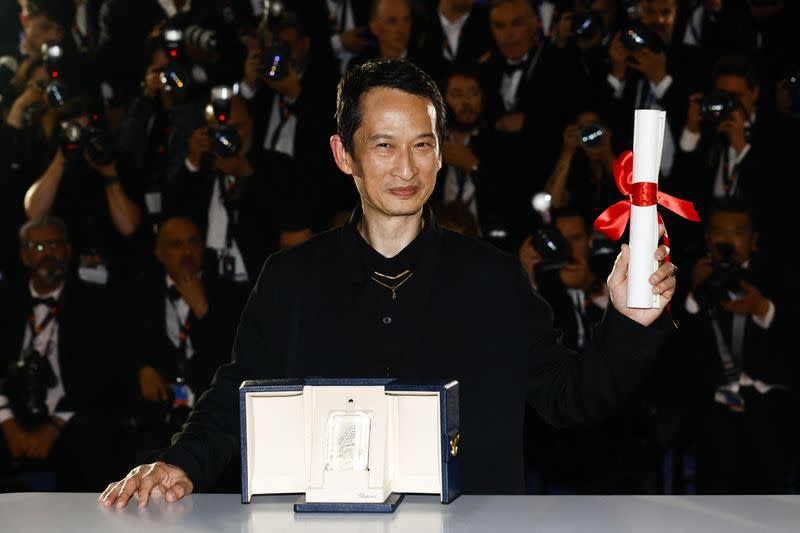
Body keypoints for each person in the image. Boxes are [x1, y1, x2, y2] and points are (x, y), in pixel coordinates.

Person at [100, 58, 677, 507]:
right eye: (384, 145)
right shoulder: (291, 279)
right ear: (343, 154)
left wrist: (630, 322)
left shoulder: (494, 279)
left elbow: (568, 398)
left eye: (422, 145)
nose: (406, 168)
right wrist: (179, 464)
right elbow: (238, 399)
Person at [676, 201, 795, 493]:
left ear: (754, 241)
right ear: (708, 239)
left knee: (767, 434)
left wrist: (762, 308)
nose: (727, 240)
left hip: (767, 398)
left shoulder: (780, 278)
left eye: (737, 233)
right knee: (716, 441)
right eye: (719, 232)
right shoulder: (692, 277)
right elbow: (673, 345)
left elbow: (791, 336)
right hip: (714, 400)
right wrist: (694, 295)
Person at [0, 216, 123, 491]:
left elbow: (100, 374)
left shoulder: (95, 301)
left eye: (55, 245)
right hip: (10, 408)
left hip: (72, 412)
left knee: (96, 435)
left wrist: (54, 426)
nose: (48, 254)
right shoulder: (6, 299)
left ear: (68, 251)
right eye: (38, 247)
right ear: (23, 255)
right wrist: (7, 422)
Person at [118, 217, 246, 452]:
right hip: (155, 412)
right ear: (158, 252)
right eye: (176, 244)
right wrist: (142, 368)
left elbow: (233, 357)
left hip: (209, 410)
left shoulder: (228, 293)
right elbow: (120, 345)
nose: (186, 251)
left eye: (193, 242)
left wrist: (203, 311)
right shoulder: (137, 292)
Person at [166, 91, 312, 286]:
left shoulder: (277, 166)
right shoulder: (201, 169)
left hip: (260, 284)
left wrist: (248, 175)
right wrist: (192, 163)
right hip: (210, 283)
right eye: (219, 130)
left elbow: (291, 222)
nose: (227, 137)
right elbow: (172, 215)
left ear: (251, 123)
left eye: (236, 128)